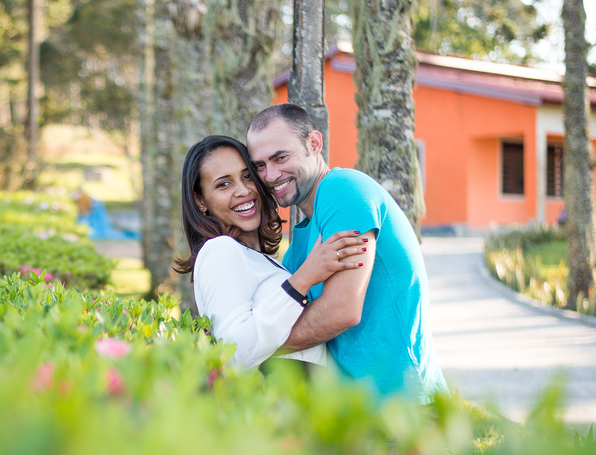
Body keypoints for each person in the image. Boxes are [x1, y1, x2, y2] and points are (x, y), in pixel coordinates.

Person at [245, 103, 447, 404]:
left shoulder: (343, 189)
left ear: (314, 144)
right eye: (259, 166)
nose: (270, 175)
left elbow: (342, 310)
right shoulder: (298, 248)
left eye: (280, 157)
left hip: (402, 409)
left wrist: (254, 345)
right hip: (354, 412)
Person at [174, 135, 369, 371]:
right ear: (200, 201)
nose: (243, 190)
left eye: (247, 176)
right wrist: (304, 278)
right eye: (224, 184)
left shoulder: (254, 258)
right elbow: (234, 353)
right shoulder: (220, 250)